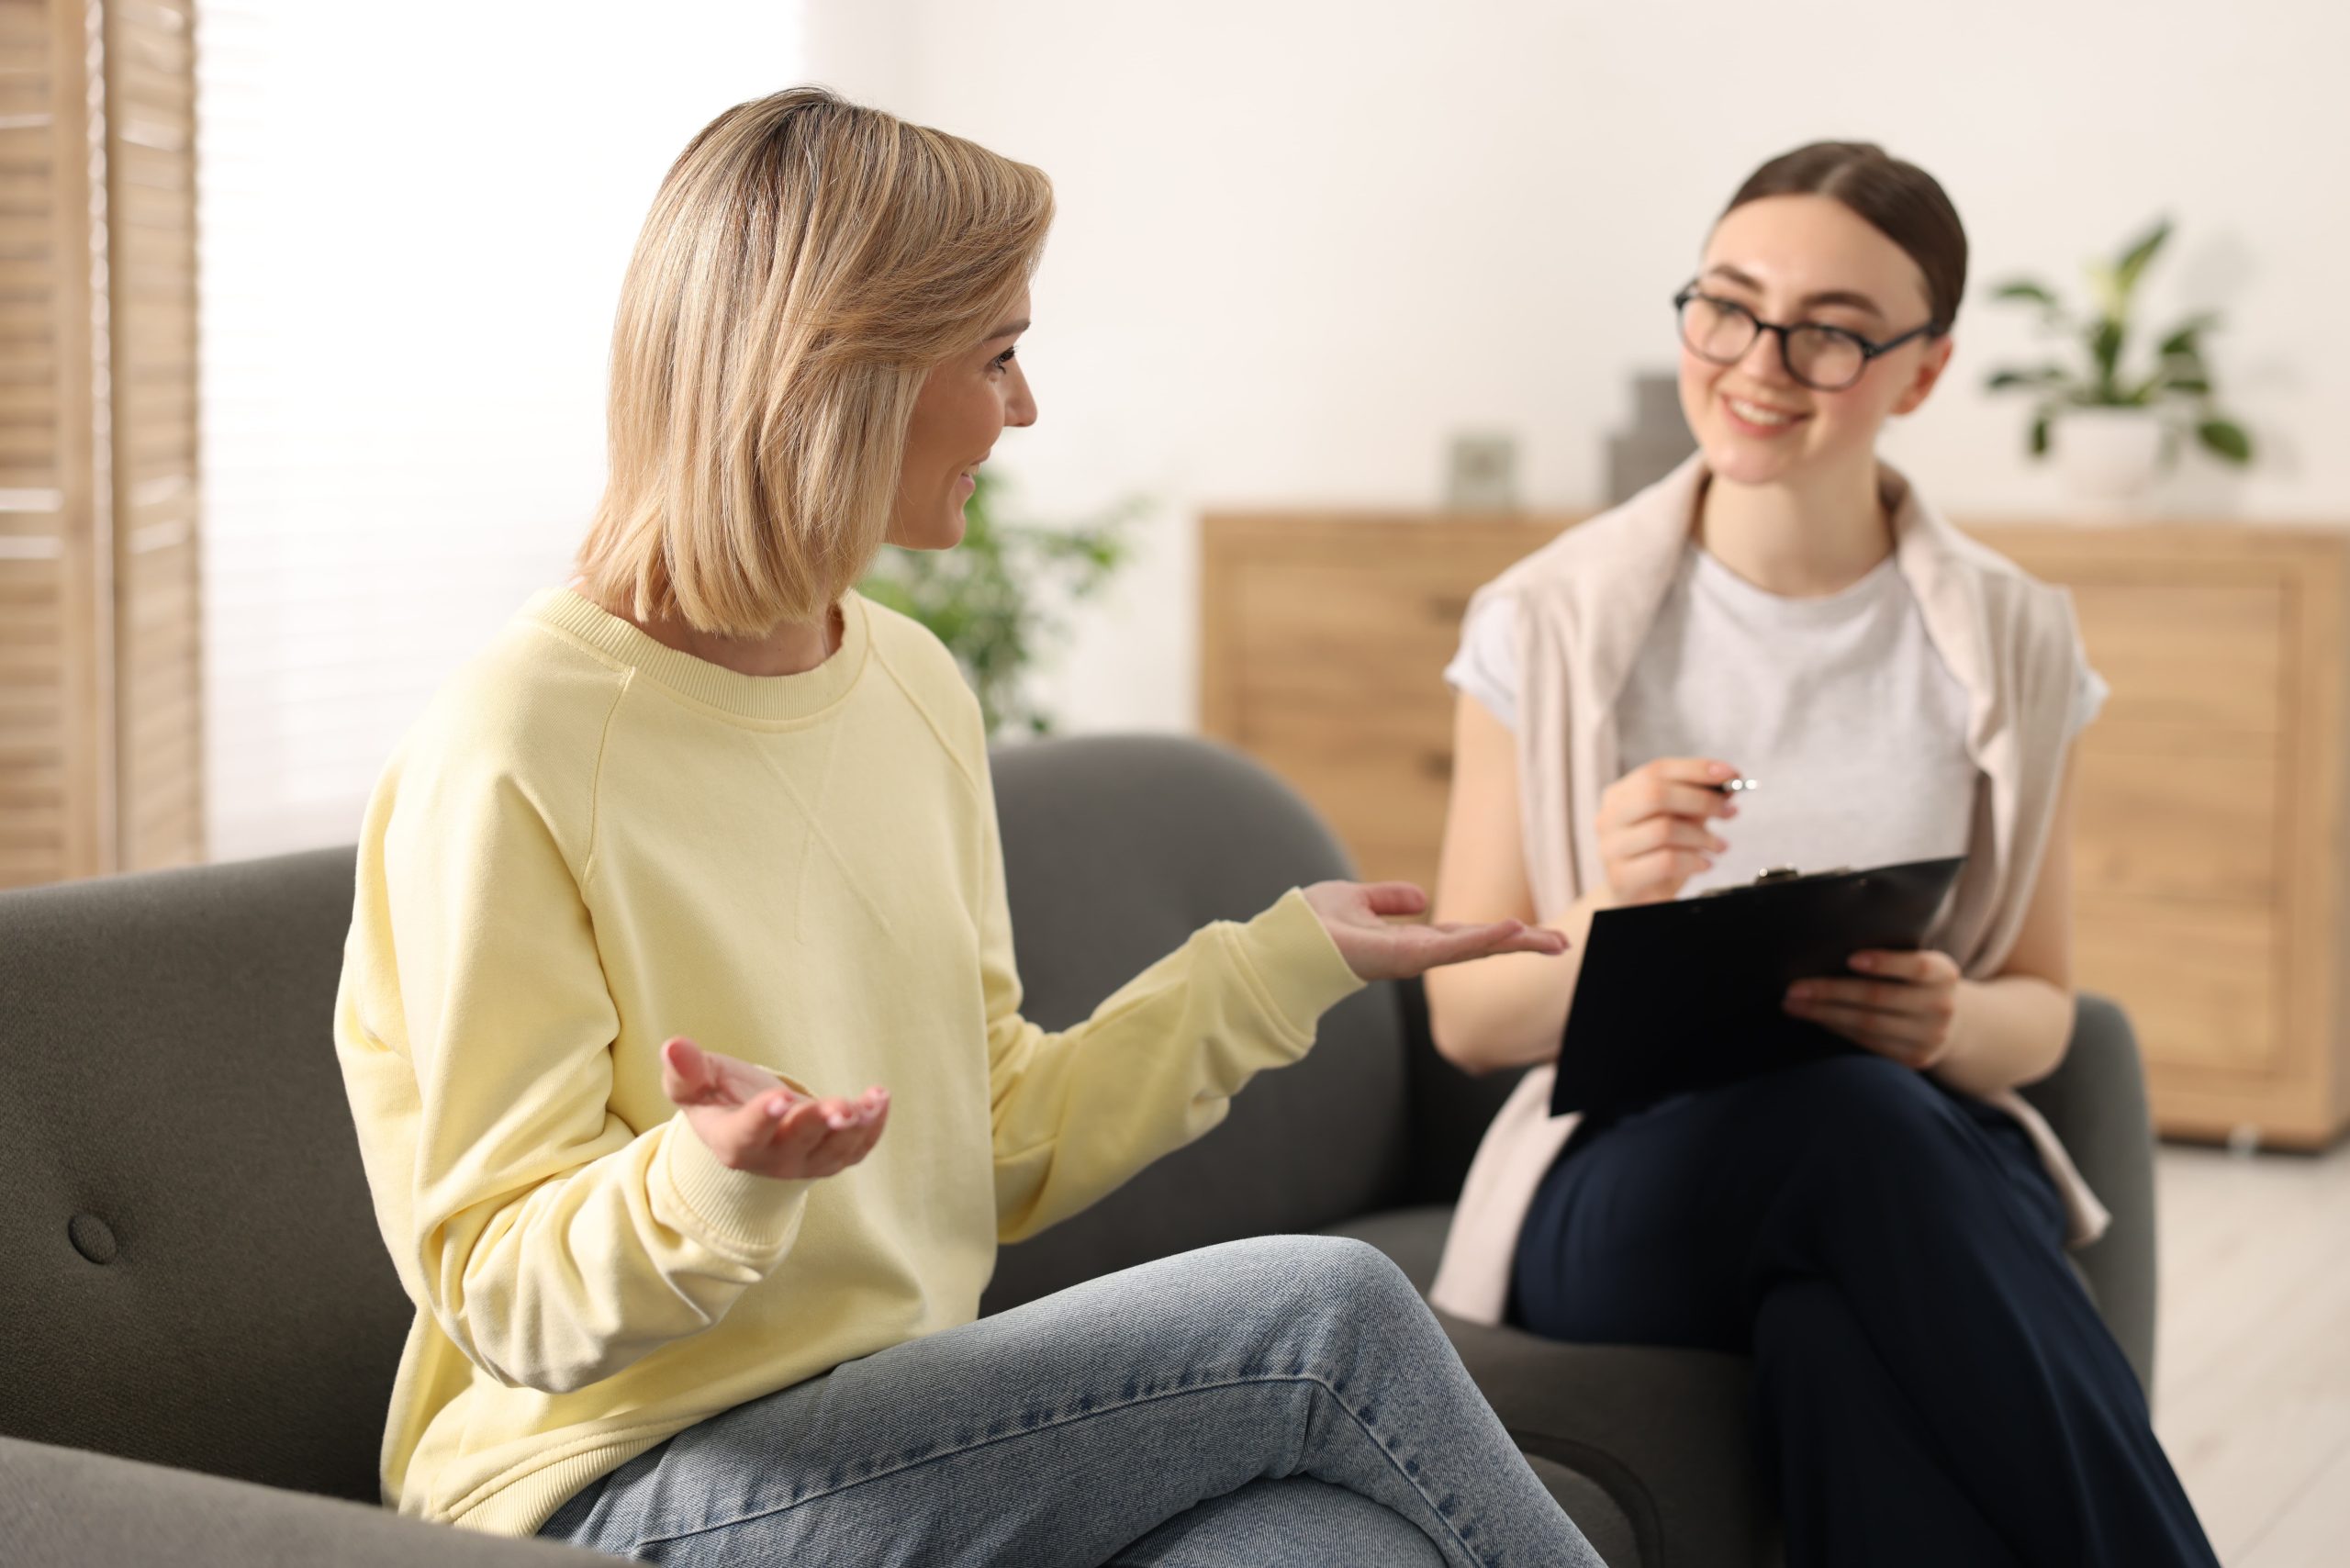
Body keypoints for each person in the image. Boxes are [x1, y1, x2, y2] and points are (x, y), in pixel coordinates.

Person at [331, 88, 1606, 1568]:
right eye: (997, 354)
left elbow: (987, 1147)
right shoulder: (516, 743)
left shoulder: (911, 689)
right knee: (1329, 1319)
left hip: (898, 1432)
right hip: (606, 1488)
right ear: (847, 374)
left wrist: (1281, 964)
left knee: (1330, 1545)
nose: (1025, 407)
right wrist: (711, 1181)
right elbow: (500, 1286)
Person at [1421, 141, 2219, 1568]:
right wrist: (1612, 909)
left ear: (1922, 370)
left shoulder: (2015, 636)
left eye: (1833, 331)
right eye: (1725, 307)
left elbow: (2044, 1004)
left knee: (1839, 1331)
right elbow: (1470, 1019)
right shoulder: (1542, 620)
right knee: (1853, 1122)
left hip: (1912, 1153)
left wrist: (1952, 1019)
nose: (1760, 362)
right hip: (1624, 1186)